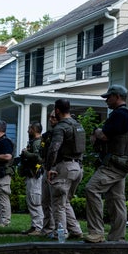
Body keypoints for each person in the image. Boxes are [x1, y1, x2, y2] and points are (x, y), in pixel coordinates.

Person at [85, 85, 128, 243]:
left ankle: (96, 232)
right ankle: (117, 237)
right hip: (121, 163)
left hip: (112, 164)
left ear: (117, 96)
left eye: (108, 97)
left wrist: (97, 131)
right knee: (116, 199)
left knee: (91, 189)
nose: (106, 100)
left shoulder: (119, 115)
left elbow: (105, 136)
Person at [44, 99, 85, 241]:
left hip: (65, 167)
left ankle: (60, 234)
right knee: (66, 201)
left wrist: (49, 168)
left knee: (58, 203)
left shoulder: (60, 127)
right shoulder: (78, 125)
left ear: (57, 110)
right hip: (78, 167)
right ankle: (76, 230)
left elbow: (54, 148)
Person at [20, 122, 45, 235]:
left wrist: (26, 153)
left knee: (35, 200)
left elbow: (39, 158)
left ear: (34, 129)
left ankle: (38, 227)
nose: (28, 131)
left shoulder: (38, 142)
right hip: (31, 175)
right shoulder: (34, 142)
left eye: (29, 128)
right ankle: (34, 225)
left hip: (35, 175)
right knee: (31, 200)